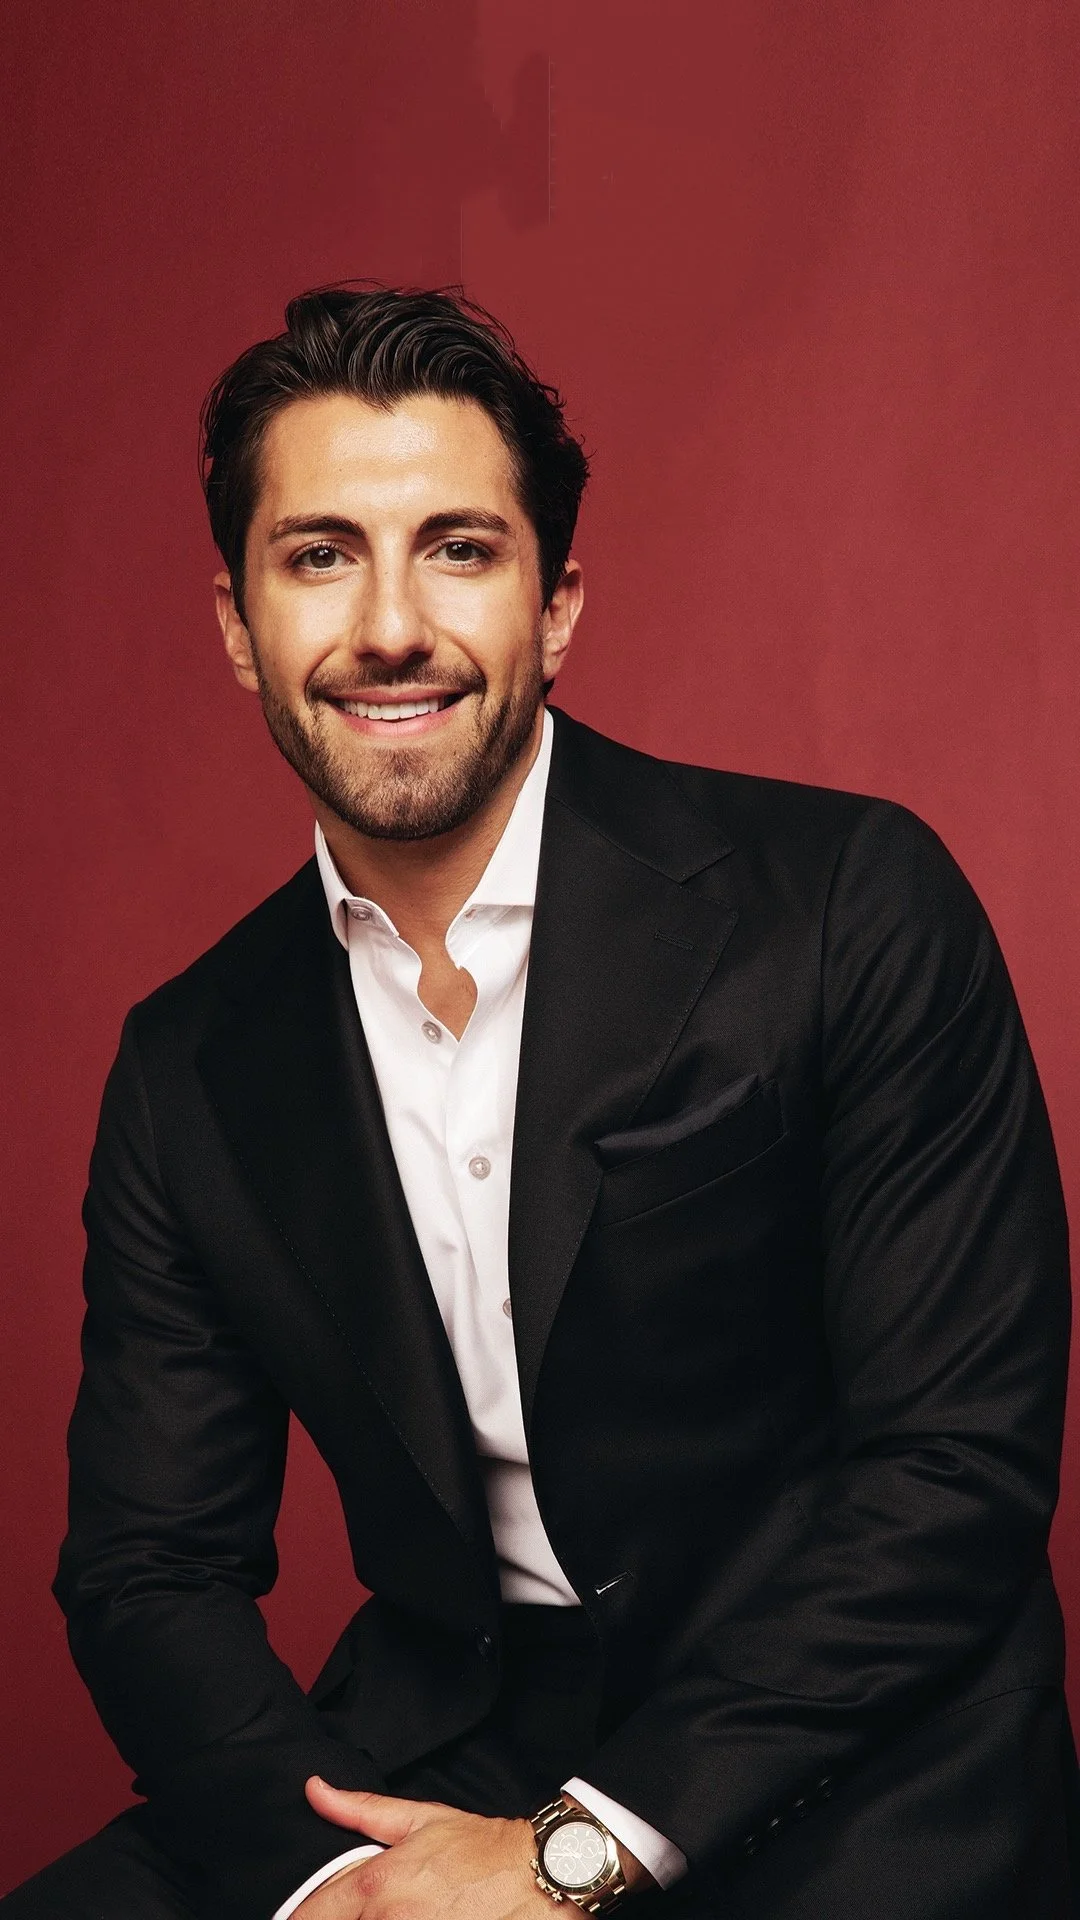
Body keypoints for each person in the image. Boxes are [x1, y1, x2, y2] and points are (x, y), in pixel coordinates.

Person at [4, 285, 1075, 1920]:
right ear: (235, 626)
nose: (387, 626)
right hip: (445, 1745)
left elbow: (954, 1470)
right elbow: (148, 1568)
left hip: (846, 1747)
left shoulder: (849, 899)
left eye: (456, 547)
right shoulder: (186, 1065)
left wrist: (580, 1853)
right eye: (316, 557)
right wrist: (335, 1883)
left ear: (556, 604)